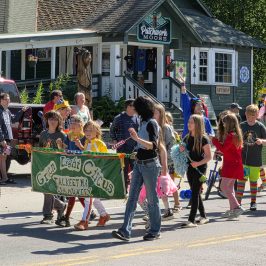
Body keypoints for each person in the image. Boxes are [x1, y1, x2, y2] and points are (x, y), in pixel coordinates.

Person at [112, 96, 161, 241]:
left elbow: (153, 145)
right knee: (132, 197)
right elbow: (142, 145)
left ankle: (155, 230)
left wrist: (136, 139)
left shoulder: (152, 123)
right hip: (140, 163)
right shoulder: (142, 122)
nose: (133, 109)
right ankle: (125, 230)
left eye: (136, 106)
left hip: (150, 165)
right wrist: (136, 148)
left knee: (152, 199)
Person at [73, 120, 110, 230]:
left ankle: (84, 221)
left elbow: (106, 158)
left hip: (96, 174)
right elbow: (87, 155)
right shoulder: (87, 143)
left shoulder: (100, 143)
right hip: (88, 174)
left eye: (90, 130)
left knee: (88, 199)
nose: (87, 132)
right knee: (95, 198)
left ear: (97, 131)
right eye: (86, 130)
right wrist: (80, 147)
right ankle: (104, 215)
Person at [180, 114, 211, 228]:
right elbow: (183, 152)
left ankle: (191, 220)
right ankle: (203, 216)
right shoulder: (187, 137)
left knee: (194, 193)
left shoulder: (204, 138)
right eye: (188, 122)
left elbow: (208, 157)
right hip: (190, 168)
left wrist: (197, 163)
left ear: (197, 124)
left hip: (199, 168)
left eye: (191, 122)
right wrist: (181, 149)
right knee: (195, 192)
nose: (189, 124)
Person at [211, 113, 245, 219]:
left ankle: (237, 207)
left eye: (225, 122)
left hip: (231, 165)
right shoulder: (236, 134)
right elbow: (230, 150)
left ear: (229, 123)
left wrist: (214, 140)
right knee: (230, 188)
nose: (223, 124)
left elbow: (223, 149)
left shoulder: (231, 136)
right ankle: (232, 210)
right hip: (234, 163)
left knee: (223, 187)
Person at [56, 115, 86, 226]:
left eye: (75, 122)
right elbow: (65, 150)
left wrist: (80, 145)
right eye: (71, 122)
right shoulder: (68, 136)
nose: (72, 125)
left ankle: (67, 217)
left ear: (80, 125)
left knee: (76, 193)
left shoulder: (84, 137)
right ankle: (90, 212)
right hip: (70, 167)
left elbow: (87, 152)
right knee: (75, 193)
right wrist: (60, 145)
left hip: (81, 168)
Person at [236, 104, 266, 211]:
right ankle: (237, 203)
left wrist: (262, 141)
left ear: (257, 114)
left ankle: (253, 202)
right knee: (241, 182)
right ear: (245, 114)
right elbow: (235, 138)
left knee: (253, 182)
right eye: (249, 115)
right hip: (243, 160)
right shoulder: (241, 126)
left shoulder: (260, 126)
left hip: (255, 160)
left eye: (253, 115)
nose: (251, 117)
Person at [39, 110, 66, 225]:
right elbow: (40, 149)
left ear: (59, 121)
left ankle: (48, 215)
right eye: (51, 119)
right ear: (47, 121)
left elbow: (66, 151)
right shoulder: (43, 134)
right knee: (46, 190)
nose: (53, 121)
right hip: (45, 165)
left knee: (48, 190)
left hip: (58, 166)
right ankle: (61, 205)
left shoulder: (62, 135)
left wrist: (60, 146)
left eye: (55, 119)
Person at [153, 104, 181, 218]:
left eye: (156, 112)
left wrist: (165, 160)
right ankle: (166, 210)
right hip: (153, 160)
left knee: (163, 185)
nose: (153, 114)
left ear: (161, 113)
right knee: (157, 186)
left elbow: (171, 145)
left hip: (164, 161)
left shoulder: (166, 127)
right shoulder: (153, 126)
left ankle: (170, 208)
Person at [110, 99, 139, 191]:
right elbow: (112, 130)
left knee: (135, 169)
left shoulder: (137, 118)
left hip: (134, 148)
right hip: (122, 148)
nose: (134, 107)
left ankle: (135, 189)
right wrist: (114, 140)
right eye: (132, 105)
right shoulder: (119, 117)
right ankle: (123, 189)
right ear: (127, 107)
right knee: (124, 169)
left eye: (135, 105)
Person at [0, 93, 27, 185]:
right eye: (6, 99)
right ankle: (4, 178)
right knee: (2, 158)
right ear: (1, 100)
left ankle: (4, 178)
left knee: (3, 158)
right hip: (2, 139)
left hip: (7, 139)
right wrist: (1, 139)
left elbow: (14, 119)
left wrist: (22, 111)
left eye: (9, 99)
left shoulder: (6, 111)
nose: (8, 101)